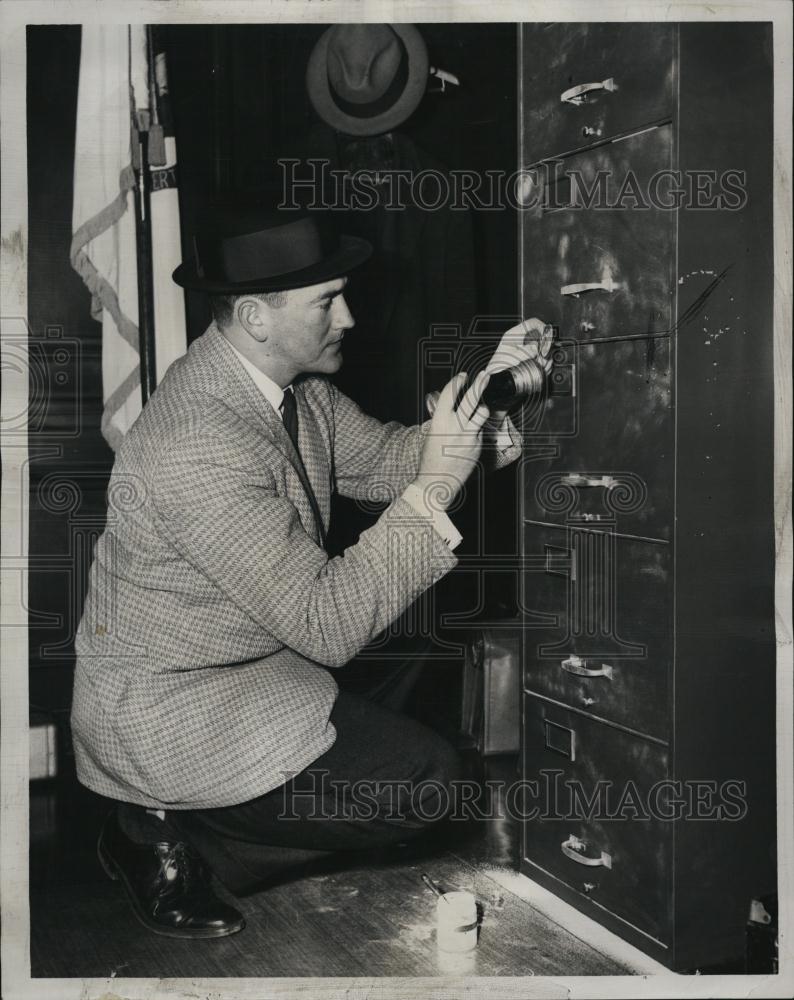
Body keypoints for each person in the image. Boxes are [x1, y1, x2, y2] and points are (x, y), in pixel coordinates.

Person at [70, 209, 546, 939]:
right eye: (327, 301)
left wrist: (489, 395)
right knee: (432, 787)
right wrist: (436, 486)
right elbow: (326, 624)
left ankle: (209, 813)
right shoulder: (197, 440)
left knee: (424, 621)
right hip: (172, 709)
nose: (349, 317)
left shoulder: (292, 388)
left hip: (255, 661)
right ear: (256, 316)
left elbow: (392, 459)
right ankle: (161, 836)